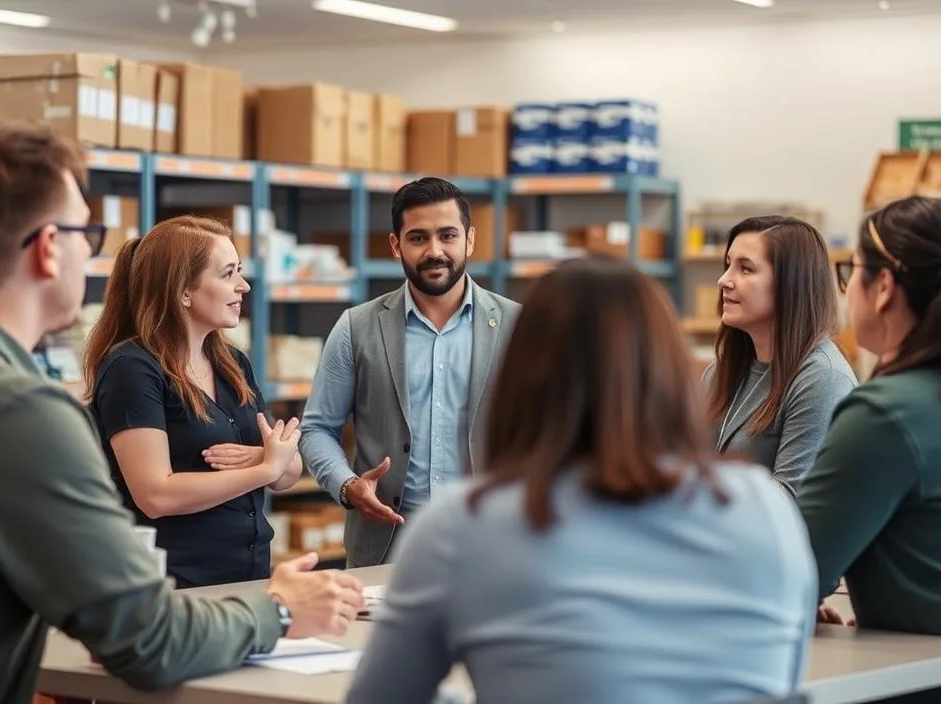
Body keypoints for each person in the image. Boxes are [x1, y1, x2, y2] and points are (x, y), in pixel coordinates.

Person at [0, 118, 364, 704]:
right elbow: (146, 640)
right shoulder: (19, 414)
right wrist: (279, 609)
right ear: (50, 249)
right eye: (89, 233)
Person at [348, 256, 817, 704]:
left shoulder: (464, 526)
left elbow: (382, 699)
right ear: (671, 370)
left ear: (521, 374)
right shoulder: (765, 511)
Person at [300, 176, 520, 568]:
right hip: (386, 547)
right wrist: (348, 486)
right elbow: (317, 429)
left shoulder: (519, 326)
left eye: (447, 236)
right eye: (418, 238)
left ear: (469, 240)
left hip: (492, 545)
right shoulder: (356, 327)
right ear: (396, 245)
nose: (435, 251)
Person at [83, 215, 303, 589]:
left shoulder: (233, 363)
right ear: (183, 291)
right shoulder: (132, 369)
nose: (243, 286)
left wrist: (268, 462)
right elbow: (155, 494)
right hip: (174, 586)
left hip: (248, 577)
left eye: (240, 271)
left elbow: (289, 469)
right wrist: (262, 470)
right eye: (228, 273)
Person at [799, 196, 941, 638]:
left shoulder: (885, 414)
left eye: (851, 272)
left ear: (883, 286)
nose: (845, 290)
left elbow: (794, 573)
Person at [704, 215, 857, 494]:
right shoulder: (720, 371)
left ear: (791, 284)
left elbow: (791, 503)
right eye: (728, 266)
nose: (724, 280)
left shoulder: (823, 380)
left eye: (745, 269)